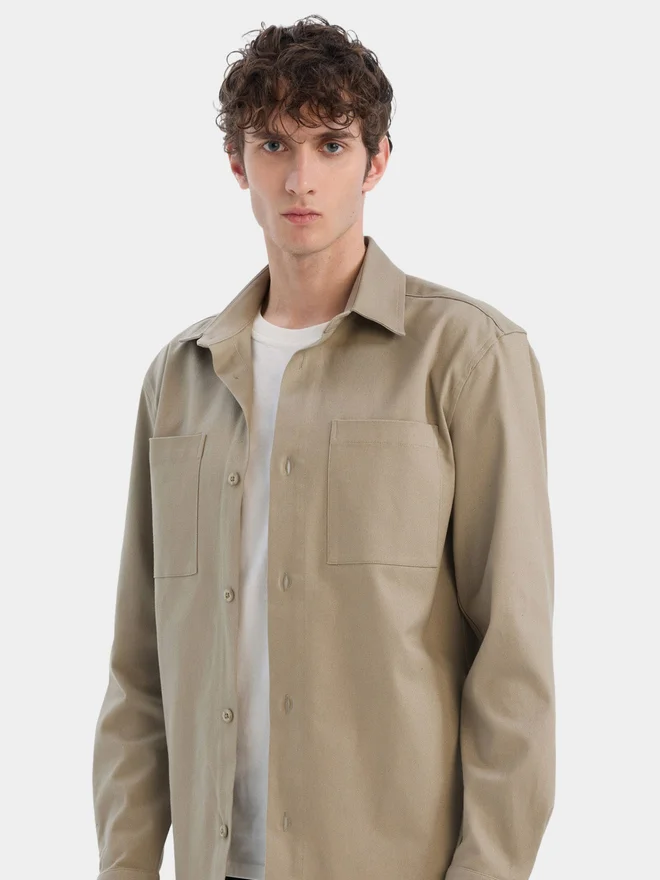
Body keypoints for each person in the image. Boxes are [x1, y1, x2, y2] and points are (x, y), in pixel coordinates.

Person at [92, 14, 555, 880]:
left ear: (376, 161)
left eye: (331, 145)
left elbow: (513, 660)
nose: (300, 177)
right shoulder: (179, 379)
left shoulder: (466, 357)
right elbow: (139, 670)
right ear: (237, 163)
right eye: (273, 144)